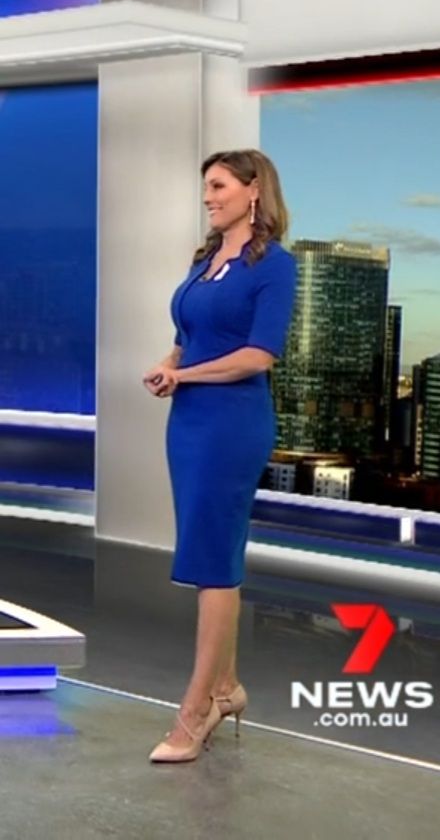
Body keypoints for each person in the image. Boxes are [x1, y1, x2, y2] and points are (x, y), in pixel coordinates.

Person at [142, 148, 297, 763]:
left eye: (218, 186)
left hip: (232, 424)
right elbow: (188, 338)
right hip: (188, 422)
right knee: (210, 553)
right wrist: (168, 365)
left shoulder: (274, 266)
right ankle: (228, 688)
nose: (208, 197)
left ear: (254, 191)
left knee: (213, 562)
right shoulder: (204, 261)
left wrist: (186, 376)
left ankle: (197, 709)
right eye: (206, 188)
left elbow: (259, 355)